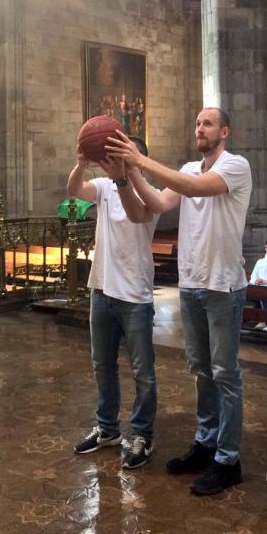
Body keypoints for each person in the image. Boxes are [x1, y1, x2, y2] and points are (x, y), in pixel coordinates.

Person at [106, 107, 252, 496]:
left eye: (206, 123)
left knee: (225, 373)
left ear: (225, 130)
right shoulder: (188, 167)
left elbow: (196, 189)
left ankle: (228, 459)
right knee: (201, 371)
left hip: (223, 285)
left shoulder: (236, 166)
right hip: (191, 284)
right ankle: (206, 443)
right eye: (196, 123)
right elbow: (152, 206)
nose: (198, 128)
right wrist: (126, 175)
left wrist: (139, 159)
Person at [68, 136, 159, 470]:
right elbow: (74, 191)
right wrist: (81, 163)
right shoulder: (105, 186)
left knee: (143, 372)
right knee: (101, 364)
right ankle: (107, 429)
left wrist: (123, 175)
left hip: (134, 294)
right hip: (102, 289)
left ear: (137, 159)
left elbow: (138, 216)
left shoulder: (149, 193)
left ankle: (142, 434)